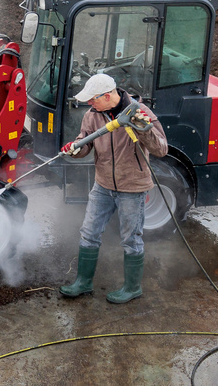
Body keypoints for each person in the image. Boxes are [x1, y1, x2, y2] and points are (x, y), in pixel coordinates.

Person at [58, 73, 168, 304]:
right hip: (103, 185)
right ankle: (83, 282)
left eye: (93, 99)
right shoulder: (91, 116)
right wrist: (75, 149)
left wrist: (143, 129)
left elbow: (161, 150)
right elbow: (85, 145)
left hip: (132, 186)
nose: (89, 103)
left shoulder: (140, 111)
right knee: (89, 232)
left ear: (107, 96)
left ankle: (132, 288)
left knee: (130, 238)